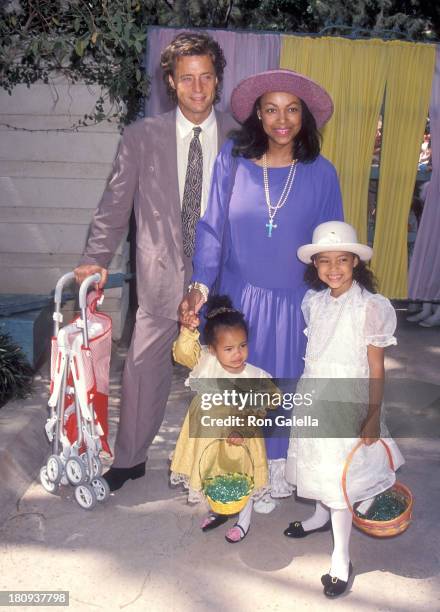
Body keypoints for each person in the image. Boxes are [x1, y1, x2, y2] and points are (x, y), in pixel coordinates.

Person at [74, 32, 237, 491]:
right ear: (170, 82)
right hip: (161, 277)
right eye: (188, 78)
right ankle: (129, 458)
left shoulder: (242, 137)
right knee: (143, 368)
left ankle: (235, 463)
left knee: (232, 368)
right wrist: (95, 259)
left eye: (207, 77)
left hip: (227, 279)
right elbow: (114, 204)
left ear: (219, 80)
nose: (198, 88)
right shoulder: (142, 136)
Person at [179, 69, 344, 511]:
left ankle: (271, 476)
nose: (281, 119)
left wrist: (342, 302)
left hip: (294, 306)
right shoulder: (232, 159)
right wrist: (199, 287)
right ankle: (234, 476)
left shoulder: (322, 173)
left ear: (304, 115)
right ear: (257, 113)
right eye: (271, 109)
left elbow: (333, 246)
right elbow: (212, 228)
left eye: (292, 109)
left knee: (283, 398)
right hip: (239, 301)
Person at [284, 221, 404, 598]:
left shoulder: (371, 306)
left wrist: (371, 413)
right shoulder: (314, 302)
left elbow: (375, 366)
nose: (333, 268)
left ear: (355, 262)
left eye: (342, 260)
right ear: (314, 265)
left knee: (341, 478)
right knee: (317, 462)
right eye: (324, 261)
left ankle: (341, 556)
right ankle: (320, 516)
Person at [171, 295, 275, 543]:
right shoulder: (205, 363)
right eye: (228, 349)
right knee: (212, 474)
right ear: (212, 349)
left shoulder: (252, 375)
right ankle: (220, 510)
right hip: (208, 436)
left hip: (238, 439)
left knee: (240, 478)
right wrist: (187, 330)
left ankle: (244, 521)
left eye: (242, 345)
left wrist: (244, 429)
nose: (238, 354)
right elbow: (183, 354)